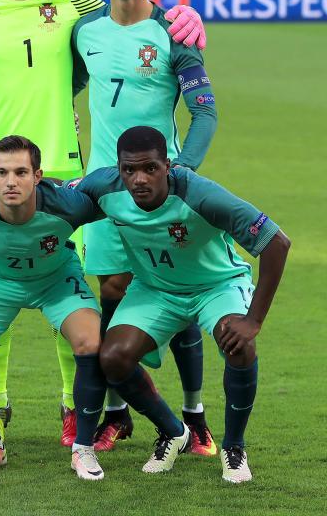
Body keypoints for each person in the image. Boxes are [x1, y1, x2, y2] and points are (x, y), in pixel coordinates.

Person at [0, 0, 207, 446]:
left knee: (74, 296)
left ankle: (78, 410)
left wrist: (184, 12)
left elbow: (135, 16)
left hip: (72, 171)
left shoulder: (79, 9)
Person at [71, 0, 220, 453]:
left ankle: (195, 413)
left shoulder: (172, 33)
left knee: (177, 296)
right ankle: (116, 412)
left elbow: (205, 111)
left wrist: (182, 170)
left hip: (161, 191)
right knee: (112, 289)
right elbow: (61, 88)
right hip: (109, 192)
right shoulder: (84, 31)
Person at [75, 126, 289, 483]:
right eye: (129, 170)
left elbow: (276, 242)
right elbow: (54, 196)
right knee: (113, 357)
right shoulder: (104, 186)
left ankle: (234, 447)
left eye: (150, 169)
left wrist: (253, 320)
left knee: (239, 345)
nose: (139, 179)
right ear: (118, 168)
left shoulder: (202, 196)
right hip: (155, 289)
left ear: (168, 166)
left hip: (215, 286)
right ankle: (175, 433)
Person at [0, 136, 106, 480]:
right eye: (2, 172)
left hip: (56, 279)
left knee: (92, 343)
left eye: (21, 172)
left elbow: (114, 196)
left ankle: (83, 449)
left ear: (38, 175)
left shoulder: (69, 205)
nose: (11, 182)